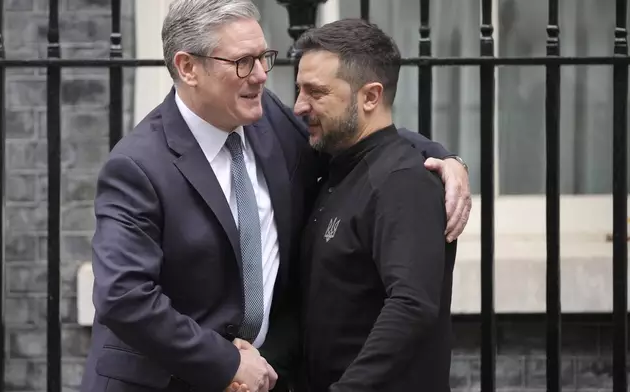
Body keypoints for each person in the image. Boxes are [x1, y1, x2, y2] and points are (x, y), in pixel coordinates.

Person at [79, 1, 470, 391]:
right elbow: (123, 295)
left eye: (264, 57)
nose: (262, 76)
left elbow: (362, 134)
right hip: (162, 381)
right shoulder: (137, 165)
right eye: (243, 62)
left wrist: (441, 156)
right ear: (188, 68)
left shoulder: (270, 121)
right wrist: (226, 362)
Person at [292, 18, 457, 391]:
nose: (299, 106)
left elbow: (412, 305)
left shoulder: (403, 182)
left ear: (370, 96)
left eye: (315, 93)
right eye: (299, 90)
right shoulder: (337, 172)